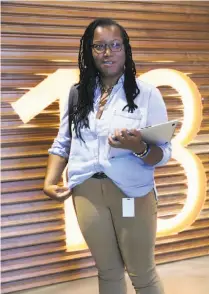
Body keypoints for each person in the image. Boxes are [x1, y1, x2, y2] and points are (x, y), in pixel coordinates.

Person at [43, 18, 170, 294]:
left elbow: (162, 155)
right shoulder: (77, 94)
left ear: (126, 49)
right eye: (99, 46)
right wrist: (50, 179)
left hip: (132, 192)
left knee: (143, 274)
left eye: (115, 45)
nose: (108, 53)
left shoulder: (147, 94)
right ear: (89, 51)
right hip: (86, 191)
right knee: (108, 272)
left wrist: (139, 147)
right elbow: (63, 142)